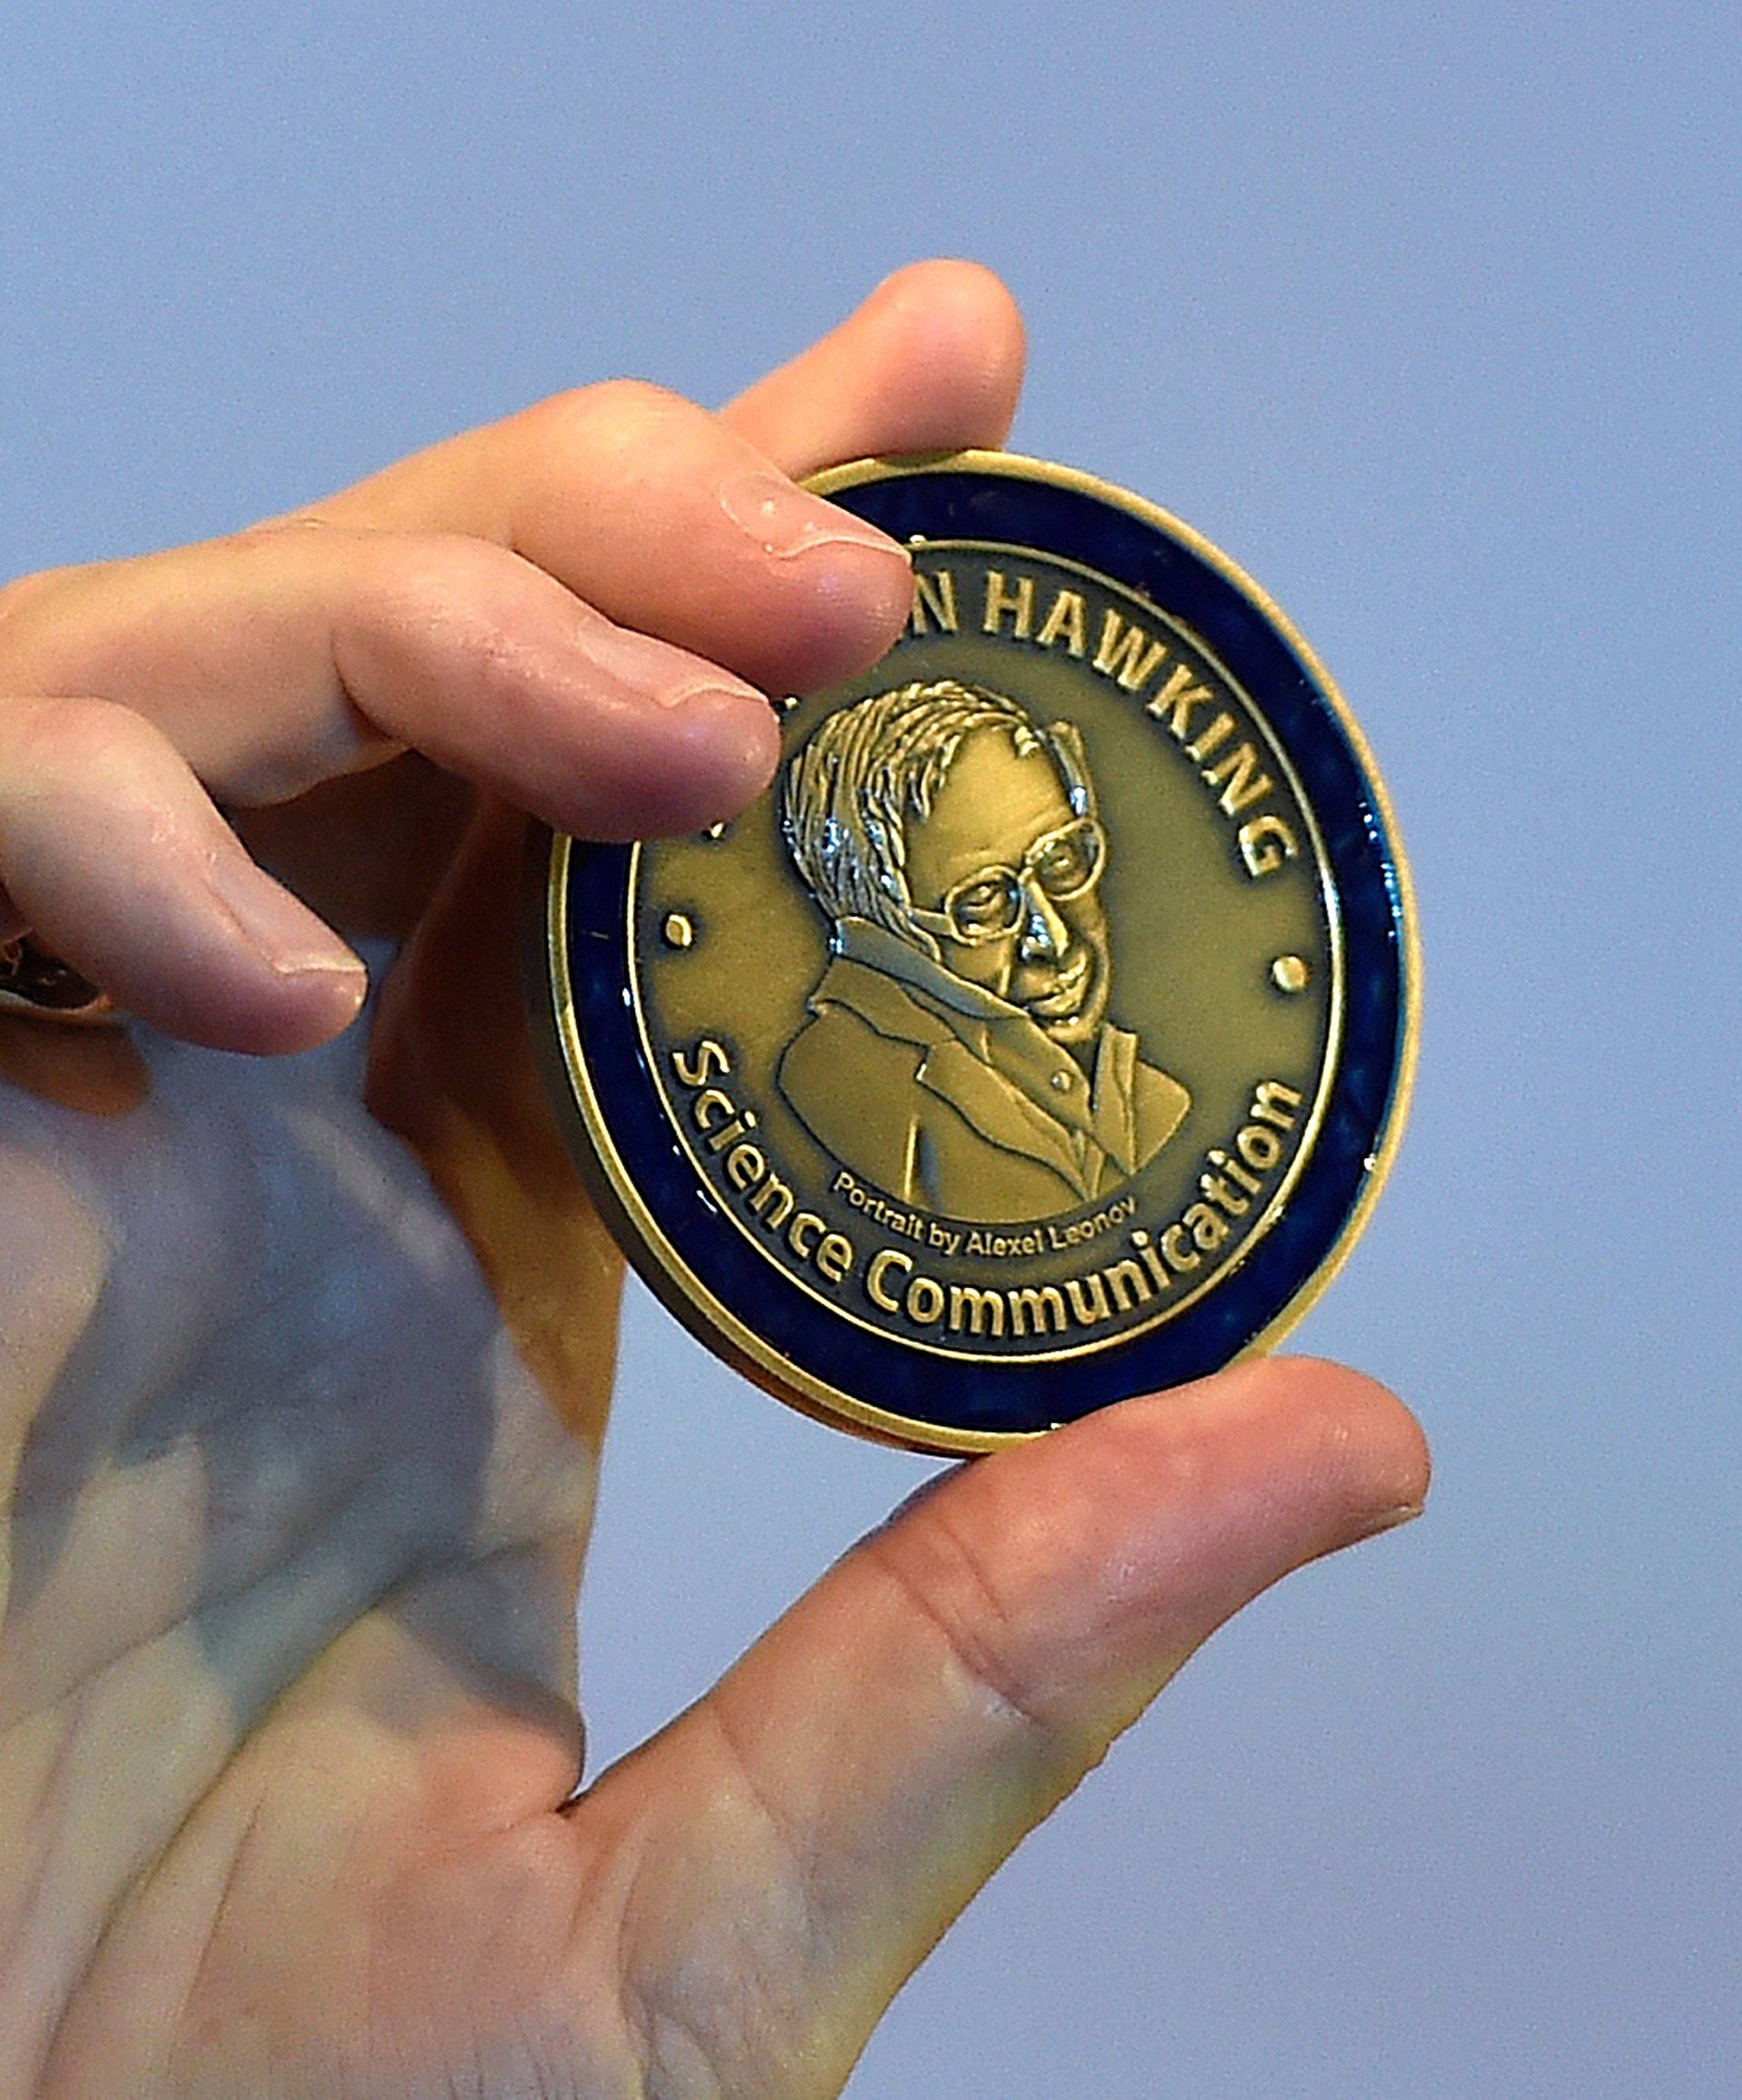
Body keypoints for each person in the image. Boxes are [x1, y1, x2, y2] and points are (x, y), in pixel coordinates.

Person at [0, 261, 1427, 2097]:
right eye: (994, 903)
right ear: (881, 917)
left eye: (1070, 872)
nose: (1067, 937)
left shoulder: (1119, 1091)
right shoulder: (869, 1096)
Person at [779, 678, 1189, 1219]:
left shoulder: (1151, 1097)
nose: (1055, 939)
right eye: (985, 901)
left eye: (1062, 859)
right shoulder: (841, 1085)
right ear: (888, 927)